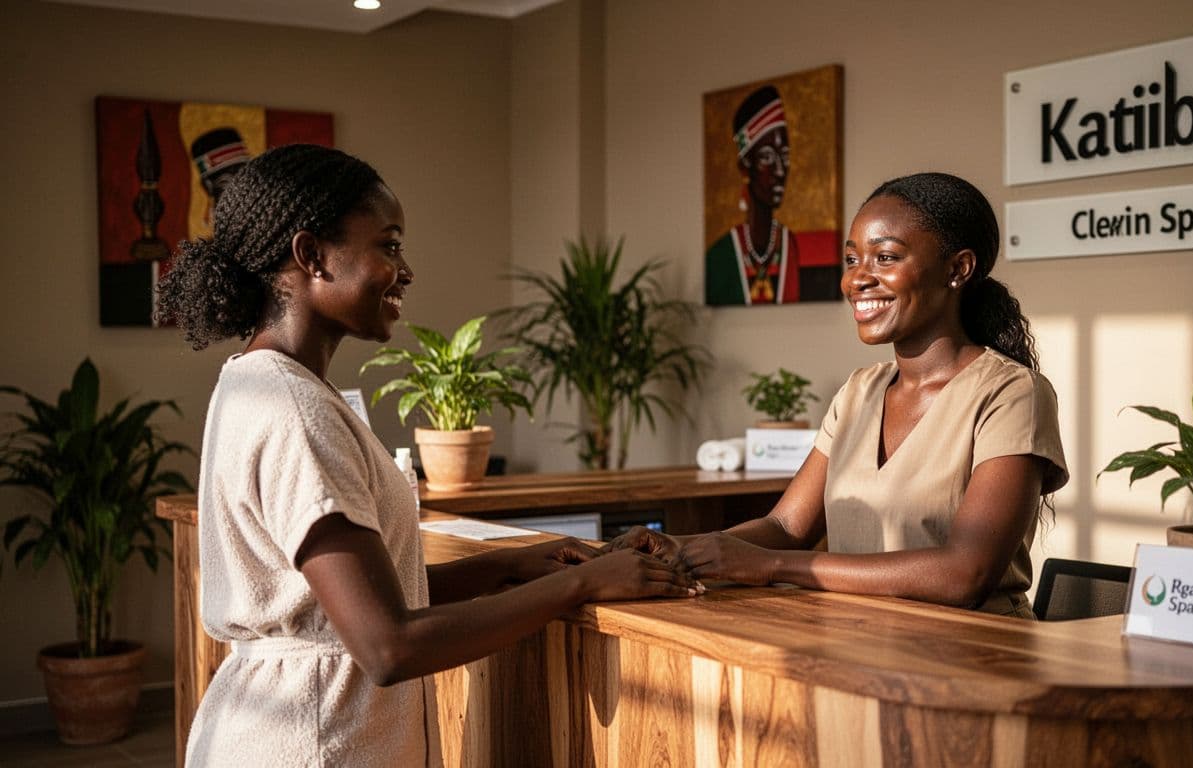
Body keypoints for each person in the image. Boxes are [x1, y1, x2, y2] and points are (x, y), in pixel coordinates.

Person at [156, 144, 693, 767]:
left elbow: (349, 605)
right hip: (311, 743)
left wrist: (511, 566)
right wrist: (583, 582)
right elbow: (389, 645)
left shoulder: (259, 383)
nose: (406, 270)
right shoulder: (296, 411)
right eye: (388, 246)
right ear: (312, 255)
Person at [617, 172, 1068, 618]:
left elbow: (965, 573)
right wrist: (681, 549)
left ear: (957, 269)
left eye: (885, 257)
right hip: (856, 643)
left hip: (979, 654)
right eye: (852, 259)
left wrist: (774, 566)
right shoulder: (858, 391)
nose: (858, 279)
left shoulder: (1012, 394)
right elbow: (785, 527)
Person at [704, 85, 803, 305]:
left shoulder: (790, 244)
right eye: (767, 157)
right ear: (745, 167)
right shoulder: (720, 255)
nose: (780, 171)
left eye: (785, 157)